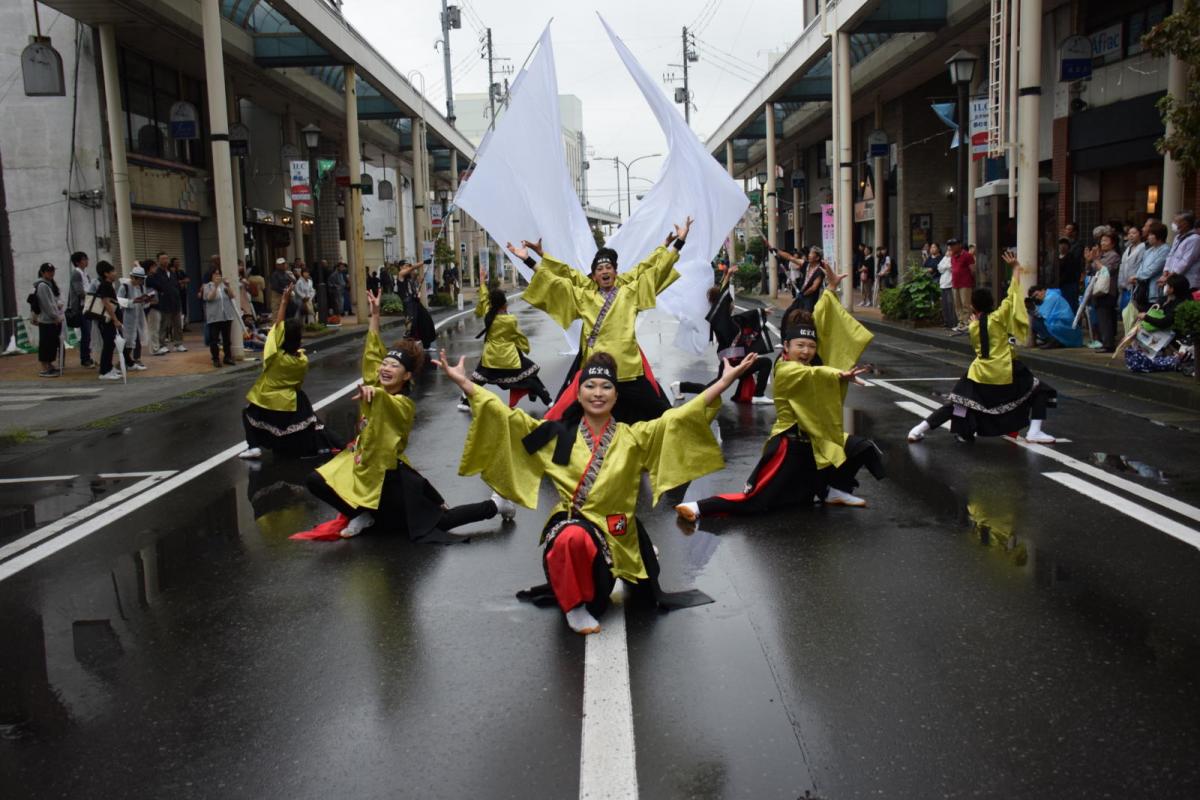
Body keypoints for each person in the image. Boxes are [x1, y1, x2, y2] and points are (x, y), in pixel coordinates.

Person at [440, 346, 758, 635]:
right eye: (590, 386)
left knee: (621, 560)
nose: (598, 392)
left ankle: (618, 567)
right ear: (578, 395)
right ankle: (574, 605)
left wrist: (724, 382)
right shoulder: (555, 435)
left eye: (606, 386)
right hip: (574, 533)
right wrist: (466, 384)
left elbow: (679, 419)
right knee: (572, 536)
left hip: (617, 533)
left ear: (616, 397)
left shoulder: (633, 436)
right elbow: (507, 419)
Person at [297, 289, 512, 541]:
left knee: (439, 523)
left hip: (390, 479)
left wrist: (374, 394)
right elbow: (372, 353)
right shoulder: (376, 384)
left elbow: (388, 404)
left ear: (407, 376)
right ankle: (361, 514)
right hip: (362, 469)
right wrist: (374, 315)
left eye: (394, 366)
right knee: (315, 480)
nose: (386, 368)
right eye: (385, 364)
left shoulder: (402, 404)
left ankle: (497, 506)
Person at [676, 281, 883, 522]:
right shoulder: (785, 368)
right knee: (758, 502)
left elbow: (822, 325)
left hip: (815, 441)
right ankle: (698, 507)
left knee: (862, 448)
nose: (806, 351)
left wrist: (830, 291)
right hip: (789, 445)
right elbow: (812, 374)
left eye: (811, 347)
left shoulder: (810, 360)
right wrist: (837, 374)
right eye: (800, 346)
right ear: (786, 346)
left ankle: (833, 490)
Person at [508, 216, 694, 424]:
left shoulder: (630, 291)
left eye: (608, 268)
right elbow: (556, 282)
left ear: (616, 272)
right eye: (599, 269)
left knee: (662, 416)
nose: (605, 272)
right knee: (571, 418)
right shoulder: (584, 295)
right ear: (593, 276)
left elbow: (654, 271)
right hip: (599, 370)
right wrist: (529, 259)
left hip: (628, 368)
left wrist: (678, 243)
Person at [908, 251, 1057, 444]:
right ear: (992, 304)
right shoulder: (998, 318)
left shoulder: (973, 326)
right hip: (1005, 370)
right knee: (1039, 390)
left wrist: (975, 319)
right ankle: (1034, 431)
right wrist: (1016, 269)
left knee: (958, 404)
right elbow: (1012, 294)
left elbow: (981, 320)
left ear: (973, 308)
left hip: (979, 373)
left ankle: (919, 429)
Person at [238, 285, 342, 460]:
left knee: (248, 414)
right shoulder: (302, 360)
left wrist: (284, 303)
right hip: (291, 398)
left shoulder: (275, 356)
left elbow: (276, 328)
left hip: (267, 397)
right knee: (303, 423)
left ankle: (254, 446)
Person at [672, 272, 774, 405]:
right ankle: (758, 395)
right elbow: (723, 301)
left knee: (714, 388)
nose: (732, 305)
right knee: (765, 362)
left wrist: (761, 312)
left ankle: (680, 386)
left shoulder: (728, 320)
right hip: (732, 361)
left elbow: (743, 317)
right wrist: (728, 276)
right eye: (730, 302)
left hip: (734, 360)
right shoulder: (720, 319)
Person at [458, 288, 553, 411]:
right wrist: (525, 347)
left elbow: (484, 299)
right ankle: (549, 401)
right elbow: (516, 335)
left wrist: (482, 284)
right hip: (509, 357)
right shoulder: (510, 320)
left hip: (491, 356)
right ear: (504, 304)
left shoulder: (488, 315)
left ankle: (465, 402)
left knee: (479, 379)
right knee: (530, 375)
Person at [1084, 233, 1120, 352]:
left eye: (1106, 241)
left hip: (1107, 291)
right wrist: (1089, 261)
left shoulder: (1114, 256)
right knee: (1100, 318)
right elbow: (1090, 270)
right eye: (1102, 241)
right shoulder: (1102, 255)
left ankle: (1109, 344)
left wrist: (1095, 259)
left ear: (1113, 243)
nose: (1103, 243)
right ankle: (1104, 342)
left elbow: (1105, 270)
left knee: (1106, 318)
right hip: (1098, 290)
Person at [117, 263, 154, 371]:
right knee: (129, 341)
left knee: (137, 340)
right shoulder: (124, 287)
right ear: (132, 277)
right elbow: (118, 301)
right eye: (138, 278)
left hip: (138, 316)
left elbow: (143, 304)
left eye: (142, 279)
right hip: (127, 317)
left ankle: (136, 359)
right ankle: (125, 362)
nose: (140, 281)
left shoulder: (141, 287)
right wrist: (133, 301)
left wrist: (146, 301)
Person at [91, 260, 124, 381]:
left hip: (111, 320)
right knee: (108, 345)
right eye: (113, 271)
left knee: (110, 345)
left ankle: (109, 367)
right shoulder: (105, 285)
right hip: (108, 321)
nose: (115, 273)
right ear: (106, 273)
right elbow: (106, 303)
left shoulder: (108, 285)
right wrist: (115, 319)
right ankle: (104, 371)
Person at [30, 262, 64, 377]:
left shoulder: (48, 284)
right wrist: (55, 316)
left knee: (51, 344)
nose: (51, 273)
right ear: (43, 272)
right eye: (49, 271)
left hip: (51, 319)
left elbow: (53, 301)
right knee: (46, 344)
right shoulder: (43, 286)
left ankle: (49, 365)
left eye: (52, 271)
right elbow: (46, 304)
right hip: (47, 320)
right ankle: (44, 368)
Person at [202, 267, 238, 368]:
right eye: (215, 274)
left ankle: (228, 357)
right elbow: (209, 298)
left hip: (226, 316)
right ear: (211, 275)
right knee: (214, 339)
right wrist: (215, 286)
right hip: (214, 317)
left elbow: (232, 296)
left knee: (227, 339)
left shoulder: (223, 286)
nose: (217, 276)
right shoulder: (207, 286)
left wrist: (228, 286)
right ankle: (216, 359)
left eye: (219, 274)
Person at [1027, 285, 1083, 349]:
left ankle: (1053, 340)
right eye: (1034, 297)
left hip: (1062, 325)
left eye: (1037, 294)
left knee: (1036, 322)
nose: (1037, 297)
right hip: (1065, 326)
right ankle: (1056, 340)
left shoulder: (1050, 297)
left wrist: (1032, 309)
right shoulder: (1052, 295)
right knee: (1037, 320)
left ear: (1042, 290)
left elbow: (1043, 314)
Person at [66, 251, 94, 368]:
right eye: (84, 259)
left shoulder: (85, 274)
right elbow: (79, 292)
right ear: (78, 262)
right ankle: (85, 359)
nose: (86, 261)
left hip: (88, 306)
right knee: (86, 333)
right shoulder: (76, 274)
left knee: (88, 333)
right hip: (81, 308)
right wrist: (91, 298)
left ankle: (87, 356)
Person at [1135, 222, 1170, 310]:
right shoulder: (1149, 251)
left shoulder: (1165, 250)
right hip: (1143, 290)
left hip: (1155, 291)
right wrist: (1138, 275)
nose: (1148, 237)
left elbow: (1153, 269)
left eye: (1151, 234)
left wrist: (1137, 276)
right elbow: (1141, 266)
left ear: (1159, 236)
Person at [1162, 211, 1200, 291]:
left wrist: (1170, 276)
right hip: (1174, 281)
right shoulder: (1178, 237)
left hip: (1188, 282)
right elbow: (1170, 255)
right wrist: (1166, 270)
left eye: (1176, 221)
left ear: (1185, 224)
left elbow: (1186, 262)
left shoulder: (1195, 239)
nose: (1173, 223)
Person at [148, 256, 178, 355]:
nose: (155, 269)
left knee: (156, 328)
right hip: (152, 306)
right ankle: (155, 348)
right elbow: (160, 286)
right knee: (155, 328)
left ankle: (156, 348)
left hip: (159, 304)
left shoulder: (169, 273)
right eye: (153, 267)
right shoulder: (150, 278)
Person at [948, 238, 975, 332]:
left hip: (965, 283)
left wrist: (972, 280)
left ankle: (967, 323)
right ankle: (961, 323)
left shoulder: (967, 255)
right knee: (957, 305)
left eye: (953, 245)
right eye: (950, 245)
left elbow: (972, 269)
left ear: (959, 245)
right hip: (955, 283)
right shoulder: (953, 256)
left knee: (966, 304)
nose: (951, 247)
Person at [1118, 226, 1145, 312]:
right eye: (1129, 233)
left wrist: (1136, 278)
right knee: (1126, 313)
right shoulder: (1128, 248)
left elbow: (1142, 265)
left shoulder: (1142, 247)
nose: (1131, 235)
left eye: (1134, 233)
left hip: (1136, 284)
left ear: (1140, 235)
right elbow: (1122, 266)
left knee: (1134, 313)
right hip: (1125, 285)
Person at [935, 243, 956, 330]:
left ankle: (953, 323)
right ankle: (947, 322)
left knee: (951, 304)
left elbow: (951, 267)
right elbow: (939, 268)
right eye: (947, 250)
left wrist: (945, 266)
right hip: (943, 283)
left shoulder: (954, 258)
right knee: (944, 305)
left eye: (950, 250)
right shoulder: (945, 257)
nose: (948, 252)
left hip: (950, 284)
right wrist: (946, 266)